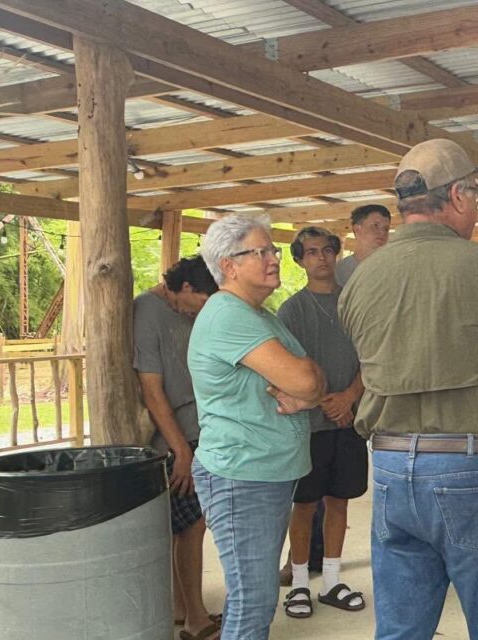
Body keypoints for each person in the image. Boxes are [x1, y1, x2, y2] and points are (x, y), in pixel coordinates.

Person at [338, 138, 478, 640]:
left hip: (390, 467)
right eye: (475, 194)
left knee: (400, 630)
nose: (475, 205)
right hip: (471, 464)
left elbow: (375, 353)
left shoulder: (362, 278)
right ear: (457, 196)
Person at [189, 214, 326, 640]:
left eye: (273, 250)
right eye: (261, 251)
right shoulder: (230, 315)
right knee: (254, 603)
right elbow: (307, 380)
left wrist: (310, 387)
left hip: (261, 473)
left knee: (251, 596)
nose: (273, 259)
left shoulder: (259, 315)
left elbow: (314, 381)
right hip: (241, 476)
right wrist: (309, 386)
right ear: (229, 265)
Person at [278, 227, 368, 619]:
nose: (321, 258)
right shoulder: (291, 310)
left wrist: (349, 397)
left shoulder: (355, 303)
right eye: (311, 252)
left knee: (340, 501)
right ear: (300, 260)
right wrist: (322, 402)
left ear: (337, 253)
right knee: (304, 505)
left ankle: (331, 579)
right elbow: (283, 369)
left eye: (328, 250)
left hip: (349, 420)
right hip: (307, 427)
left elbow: (372, 357)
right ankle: (299, 583)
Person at [133, 256, 221, 640]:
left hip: (197, 426)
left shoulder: (183, 310)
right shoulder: (147, 311)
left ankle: (182, 608)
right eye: (201, 301)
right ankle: (197, 620)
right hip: (173, 436)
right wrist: (181, 451)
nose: (201, 310)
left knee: (181, 525)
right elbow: (152, 391)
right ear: (185, 287)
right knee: (194, 524)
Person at [334, 203, 391, 286]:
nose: (382, 232)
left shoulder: (393, 267)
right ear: (357, 229)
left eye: (386, 229)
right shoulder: (340, 271)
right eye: (375, 226)